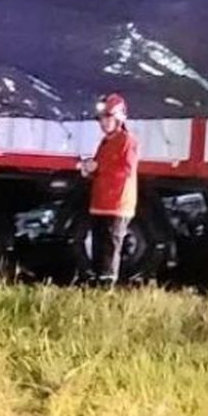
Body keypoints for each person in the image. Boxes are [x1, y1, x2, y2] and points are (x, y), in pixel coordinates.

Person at [79, 92, 139, 285]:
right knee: (98, 245)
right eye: (101, 119)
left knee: (110, 246)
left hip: (117, 204)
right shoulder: (106, 142)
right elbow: (101, 166)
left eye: (108, 118)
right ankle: (97, 281)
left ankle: (107, 284)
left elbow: (127, 169)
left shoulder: (128, 141)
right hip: (100, 202)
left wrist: (98, 168)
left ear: (119, 118)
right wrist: (89, 170)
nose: (103, 123)